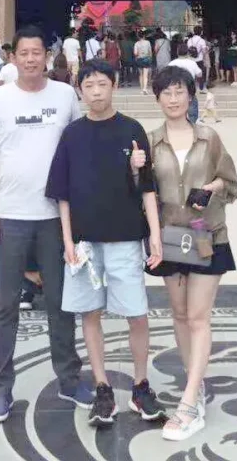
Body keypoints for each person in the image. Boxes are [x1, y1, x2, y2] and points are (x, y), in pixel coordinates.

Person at [0, 26, 91, 424]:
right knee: (5, 305)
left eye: (36, 52)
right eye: (23, 53)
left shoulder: (64, 95)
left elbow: (79, 147)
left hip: (56, 219)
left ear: (46, 56)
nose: (30, 59)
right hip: (11, 216)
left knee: (61, 303)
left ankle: (69, 379)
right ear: (13, 57)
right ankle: (0, 389)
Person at [46, 61, 163, 427]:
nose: (96, 91)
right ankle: (102, 388)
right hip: (84, 243)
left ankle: (141, 386)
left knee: (136, 313)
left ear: (113, 86)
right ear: (80, 90)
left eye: (102, 84)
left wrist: (154, 235)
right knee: (90, 313)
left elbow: (147, 188)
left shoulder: (132, 130)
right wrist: (67, 239)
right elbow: (62, 194)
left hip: (125, 237)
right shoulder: (72, 135)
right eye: (89, 85)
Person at [148, 66, 237, 442]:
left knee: (199, 317)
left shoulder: (209, 137)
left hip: (206, 237)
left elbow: (231, 183)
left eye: (179, 91)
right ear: (157, 98)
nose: (173, 99)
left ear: (190, 96)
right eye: (166, 93)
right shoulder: (149, 143)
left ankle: (187, 405)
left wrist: (210, 188)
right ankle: (195, 385)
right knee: (181, 315)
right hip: (170, 240)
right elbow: (142, 193)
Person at [171, 48, 202, 124]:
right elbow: (199, 74)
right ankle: (192, 125)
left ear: (177, 52)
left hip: (176, 89)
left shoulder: (172, 63)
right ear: (187, 53)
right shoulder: (192, 62)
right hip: (189, 89)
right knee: (192, 110)